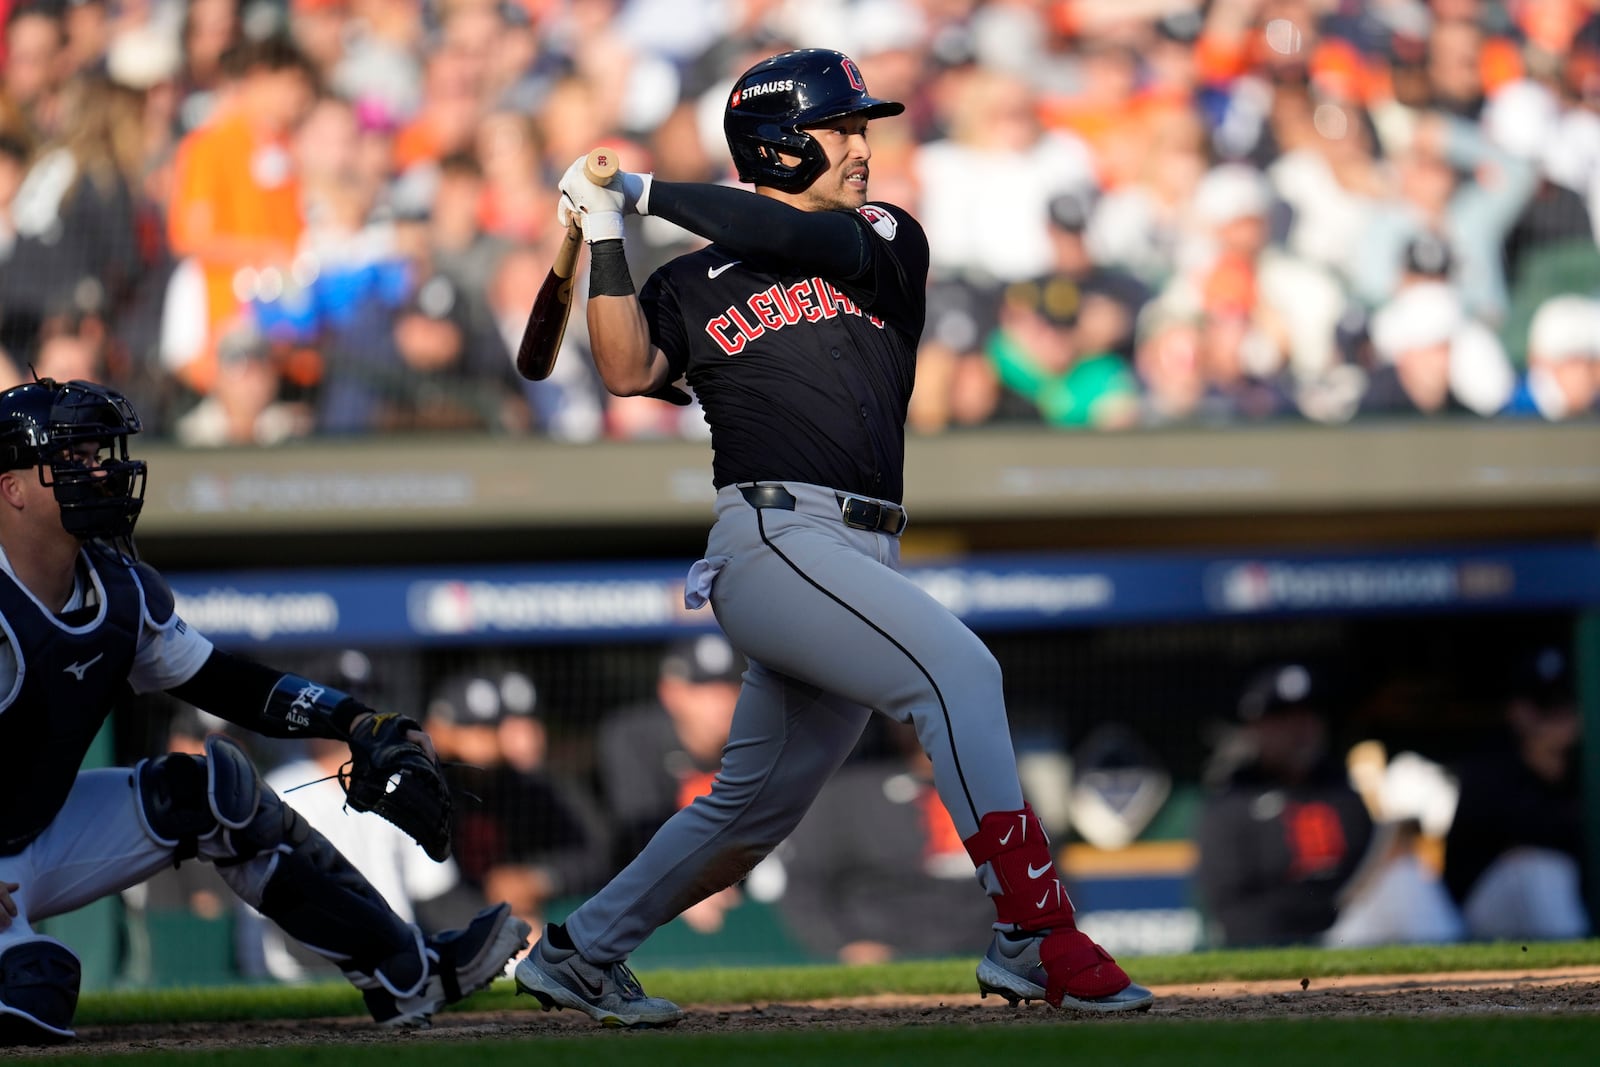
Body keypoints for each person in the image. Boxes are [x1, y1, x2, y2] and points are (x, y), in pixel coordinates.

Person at [514, 48, 1152, 1028]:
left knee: (751, 813)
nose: (861, 144)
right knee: (959, 673)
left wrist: (638, 189)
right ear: (776, 144)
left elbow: (782, 229)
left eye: (861, 126)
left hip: (861, 547)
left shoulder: (884, 234)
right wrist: (605, 233)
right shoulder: (693, 279)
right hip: (772, 537)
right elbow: (625, 365)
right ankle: (1035, 929)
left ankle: (580, 951)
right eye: (841, 127)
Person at [0, 377, 528, 1045]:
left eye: (100, 451)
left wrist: (354, 720)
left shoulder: (118, 589)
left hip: (34, 832)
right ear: (13, 486)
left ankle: (405, 968)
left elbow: (226, 683)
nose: (101, 468)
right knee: (37, 988)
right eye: (73, 456)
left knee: (211, 793)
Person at [1193, 663, 1375, 947]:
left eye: (1308, 715)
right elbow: (1233, 909)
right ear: (1256, 727)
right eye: (1284, 718)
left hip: (1355, 933)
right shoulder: (1232, 802)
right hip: (1279, 943)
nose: (1300, 729)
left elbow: (1368, 879)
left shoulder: (1344, 792)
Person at [1443, 644, 1590, 942]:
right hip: (1482, 908)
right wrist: (1545, 771)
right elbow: (1531, 834)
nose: (1558, 719)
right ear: (1517, 712)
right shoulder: (1490, 764)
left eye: (1565, 707)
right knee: (1537, 869)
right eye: (1546, 709)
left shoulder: (1584, 765)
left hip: (1569, 903)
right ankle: (1583, 983)